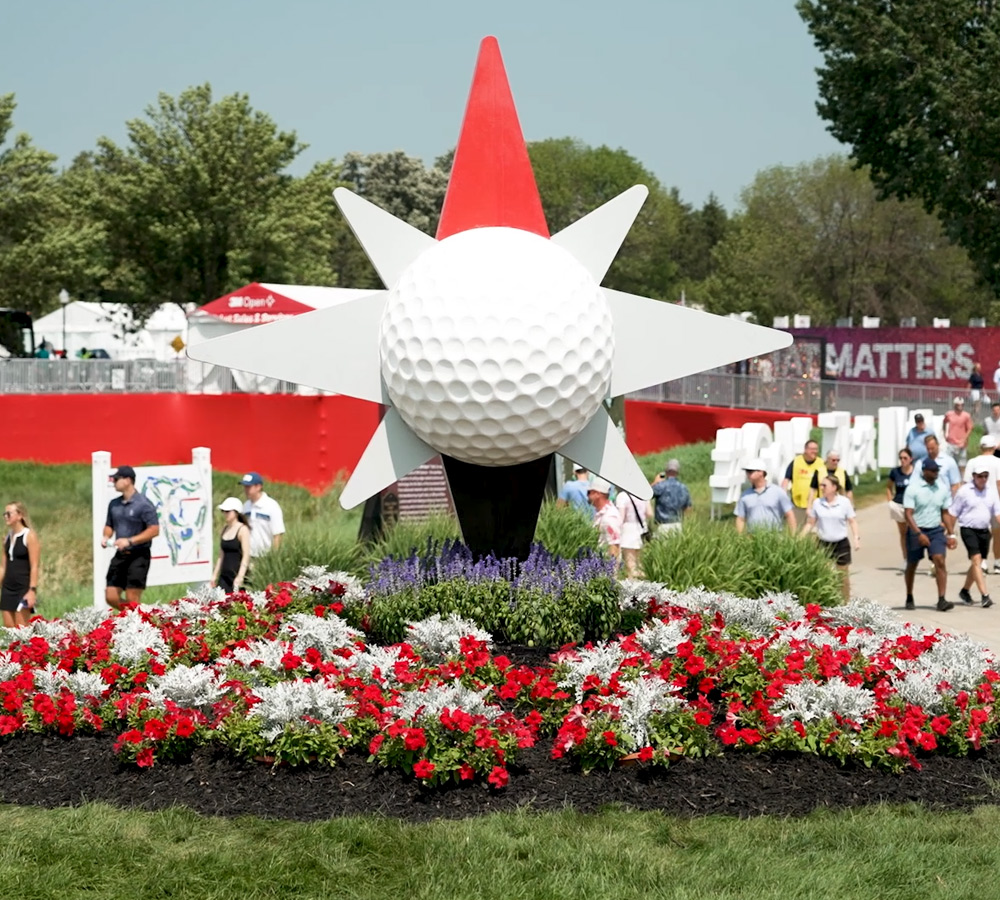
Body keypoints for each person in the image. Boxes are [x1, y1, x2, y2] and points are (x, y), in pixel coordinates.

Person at [101, 466, 160, 610]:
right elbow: (109, 525)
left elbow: (154, 530)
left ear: (128, 480)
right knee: (111, 596)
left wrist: (130, 540)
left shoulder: (144, 504)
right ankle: (134, 615)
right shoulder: (114, 504)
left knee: (132, 597)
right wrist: (106, 536)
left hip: (139, 555)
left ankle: (136, 620)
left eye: (116, 479)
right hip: (121, 555)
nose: (114, 482)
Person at [902, 458, 956, 612]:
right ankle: (909, 595)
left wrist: (951, 534)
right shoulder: (913, 488)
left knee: (940, 560)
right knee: (912, 564)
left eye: (937, 470)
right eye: (932, 471)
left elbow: (945, 513)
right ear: (924, 472)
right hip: (916, 529)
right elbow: (908, 514)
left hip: (935, 530)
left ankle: (942, 599)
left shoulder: (941, 488)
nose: (935, 473)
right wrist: (919, 533)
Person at [801, 475, 860, 603]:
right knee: (824, 575)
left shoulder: (844, 502)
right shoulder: (817, 503)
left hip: (841, 543)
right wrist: (800, 537)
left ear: (834, 487)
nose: (821, 488)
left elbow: (852, 521)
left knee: (842, 576)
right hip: (823, 544)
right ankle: (827, 601)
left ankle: (845, 603)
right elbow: (810, 523)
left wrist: (856, 538)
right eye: (821, 485)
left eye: (824, 485)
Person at [951, 464, 1000, 609]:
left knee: (977, 563)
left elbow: (997, 512)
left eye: (985, 476)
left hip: (984, 530)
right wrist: (950, 533)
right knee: (977, 560)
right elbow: (953, 512)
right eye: (980, 476)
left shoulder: (991, 492)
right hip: (968, 529)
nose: (983, 479)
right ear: (973, 477)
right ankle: (985, 595)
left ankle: (965, 591)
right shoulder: (964, 491)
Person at [964, 434, 1000, 574]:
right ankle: (997, 562)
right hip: (995, 502)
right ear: (994, 447)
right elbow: (999, 484)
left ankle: (982, 562)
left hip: (977, 503)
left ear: (981, 447)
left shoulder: (972, 462)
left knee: (981, 534)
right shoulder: (998, 462)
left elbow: (966, 484)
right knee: (997, 533)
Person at [0, 502, 40, 628]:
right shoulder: (7, 537)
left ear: (20, 515)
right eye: (4, 514)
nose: (6, 516)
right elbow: (3, 567)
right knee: (9, 630)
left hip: (22, 588)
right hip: (7, 588)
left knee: (21, 630)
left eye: (9, 513)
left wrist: (32, 590)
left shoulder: (29, 536)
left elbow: (34, 566)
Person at [735, 458, 796, 534]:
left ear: (761, 472)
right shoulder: (744, 495)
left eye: (750, 471)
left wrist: (793, 537)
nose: (747, 474)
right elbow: (740, 519)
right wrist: (740, 538)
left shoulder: (778, 492)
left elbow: (789, 514)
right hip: (752, 537)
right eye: (747, 472)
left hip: (774, 536)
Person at [211, 498, 251, 593]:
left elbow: (246, 555)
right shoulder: (225, 529)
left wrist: (240, 576)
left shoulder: (242, 529)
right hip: (224, 576)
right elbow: (221, 556)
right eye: (223, 511)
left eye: (228, 511)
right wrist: (214, 575)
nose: (225, 514)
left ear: (236, 512)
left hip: (237, 574)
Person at [241, 472, 285, 558]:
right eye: (245, 487)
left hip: (265, 557)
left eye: (248, 487)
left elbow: (277, 534)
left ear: (258, 487)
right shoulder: (245, 507)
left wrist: (274, 557)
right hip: (248, 556)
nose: (246, 490)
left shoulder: (271, 506)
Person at [781, 439, 824, 527]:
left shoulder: (821, 463)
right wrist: (784, 497)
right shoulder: (796, 462)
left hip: (816, 504)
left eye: (816, 449)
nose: (814, 451)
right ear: (805, 450)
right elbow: (786, 480)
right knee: (796, 530)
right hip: (797, 505)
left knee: (814, 532)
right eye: (812, 449)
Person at [886, 448, 916, 572]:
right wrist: (890, 501)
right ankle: (906, 559)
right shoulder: (895, 472)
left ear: (911, 459)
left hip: (912, 506)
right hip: (899, 504)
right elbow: (888, 487)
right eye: (901, 458)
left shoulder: (916, 472)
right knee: (903, 533)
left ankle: (913, 558)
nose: (903, 460)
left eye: (905, 458)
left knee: (912, 533)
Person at [650, 459, 692, 532]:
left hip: (662, 525)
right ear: (678, 472)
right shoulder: (683, 488)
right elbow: (688, 507)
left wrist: (655, 482)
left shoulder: (660, 486)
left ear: (666, 471)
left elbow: (646, 495)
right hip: (678, 525)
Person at [615, 488, 648, 578]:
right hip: (643, 530)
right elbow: (649, 513)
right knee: (641, 565)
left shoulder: (622, 496)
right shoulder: (643, 494)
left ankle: (633, 588)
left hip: (628, 531)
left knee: (631, 565)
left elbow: (621, 518)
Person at [587, 477, 621, 563]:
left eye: (589, 492)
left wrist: (612, 573)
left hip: (606, 566)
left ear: (597, 494)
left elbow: (614, 546)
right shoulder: (601, 513)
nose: (587, 496)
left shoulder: (609, 517)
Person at [943, 396, 974, 467]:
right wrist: (945, 434)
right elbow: (944, 422)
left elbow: (970, 428)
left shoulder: (966, 415)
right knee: (949, 462)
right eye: (958, 405)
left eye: (961, 405)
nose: (960, 406)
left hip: (961, 443)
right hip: (951, 442)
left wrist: (964, 439)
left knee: (961, 464)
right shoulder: (949, 414)